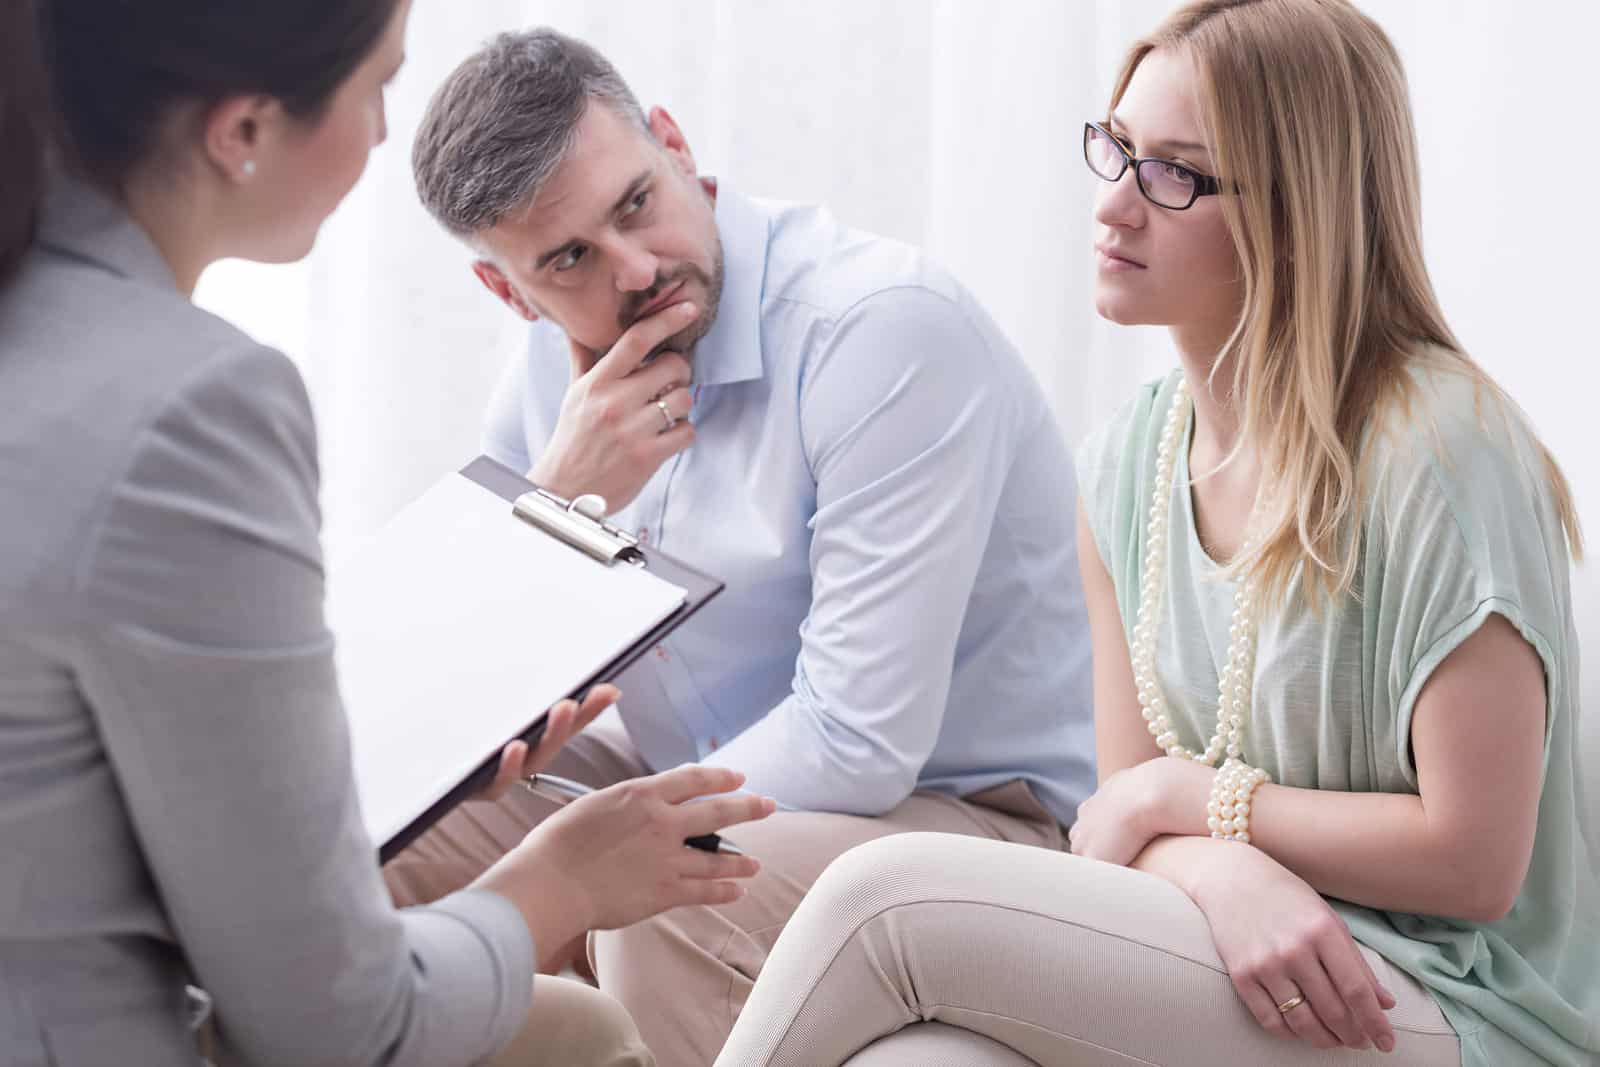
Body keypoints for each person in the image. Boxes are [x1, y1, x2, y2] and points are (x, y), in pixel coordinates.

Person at [713, 1, 1600, 1064]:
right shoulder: (1128, 460)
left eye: (1176, 173)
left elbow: (1473, 861)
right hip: (1219, 937)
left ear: (1301, 211)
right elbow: (1115, 822)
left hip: (1452, 1005)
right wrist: (1218, 865)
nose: (1113, 206)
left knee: (880, 903)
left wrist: (1198, 803)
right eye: (1118, 148)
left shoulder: (1443, 452)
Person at [0, 2, 773, 1064]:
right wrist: (563, 878)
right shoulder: (190, 405)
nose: (378, 134)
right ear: (243, 131)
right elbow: (334, 1021)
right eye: (377, 87)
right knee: (586, 1035)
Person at [384, 27, 1098, 1066]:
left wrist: (598, 852)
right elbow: (457, 695)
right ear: (510, 291)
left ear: (673, 144)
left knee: (667, 889)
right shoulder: (547, 375)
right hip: (702, 768)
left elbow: (855, 742)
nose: (636, 268)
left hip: (971, 810)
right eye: (571, 258)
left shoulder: (880, 332)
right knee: (374, 838)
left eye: (636, 203)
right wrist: (561, 498)